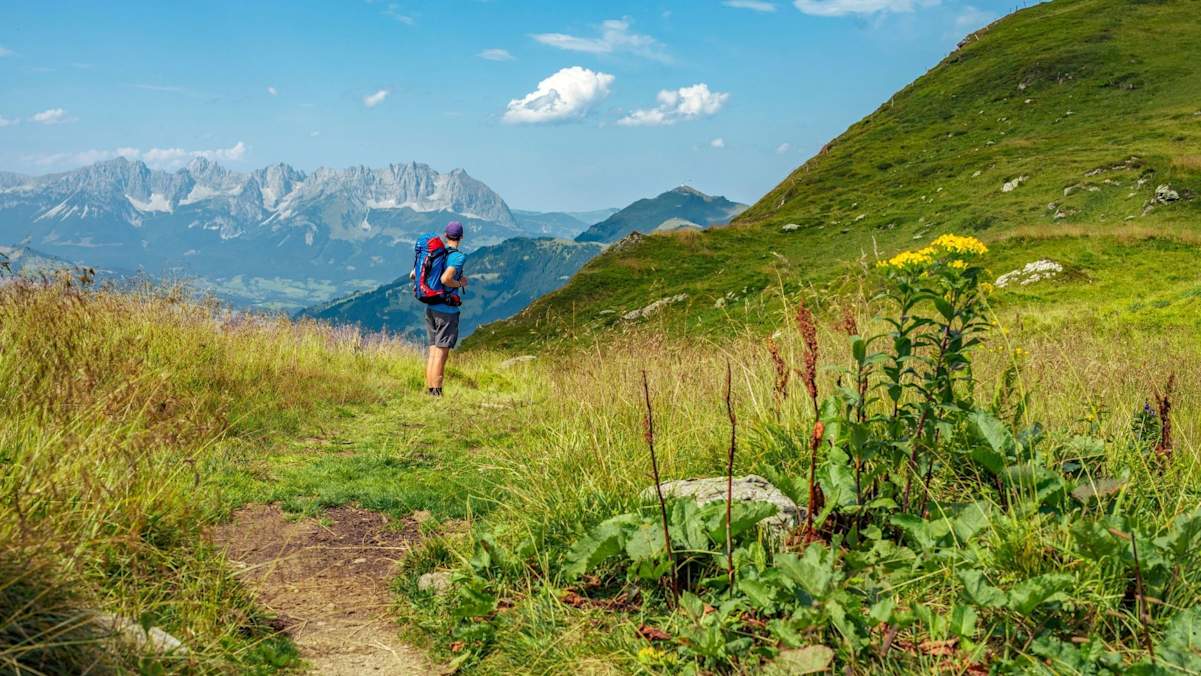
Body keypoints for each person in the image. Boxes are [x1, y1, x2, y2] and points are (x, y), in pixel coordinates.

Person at [411, 221, 467, 396]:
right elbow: (445, 279)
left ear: (445, 235)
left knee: (433, 352)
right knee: (442, 354)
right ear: (461, 237)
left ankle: (431, 390)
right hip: (446, 311)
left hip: (431, 307)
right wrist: (460, 282)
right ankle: (437, 392)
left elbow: (413, 274)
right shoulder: (457, 257)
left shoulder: (436, 254)